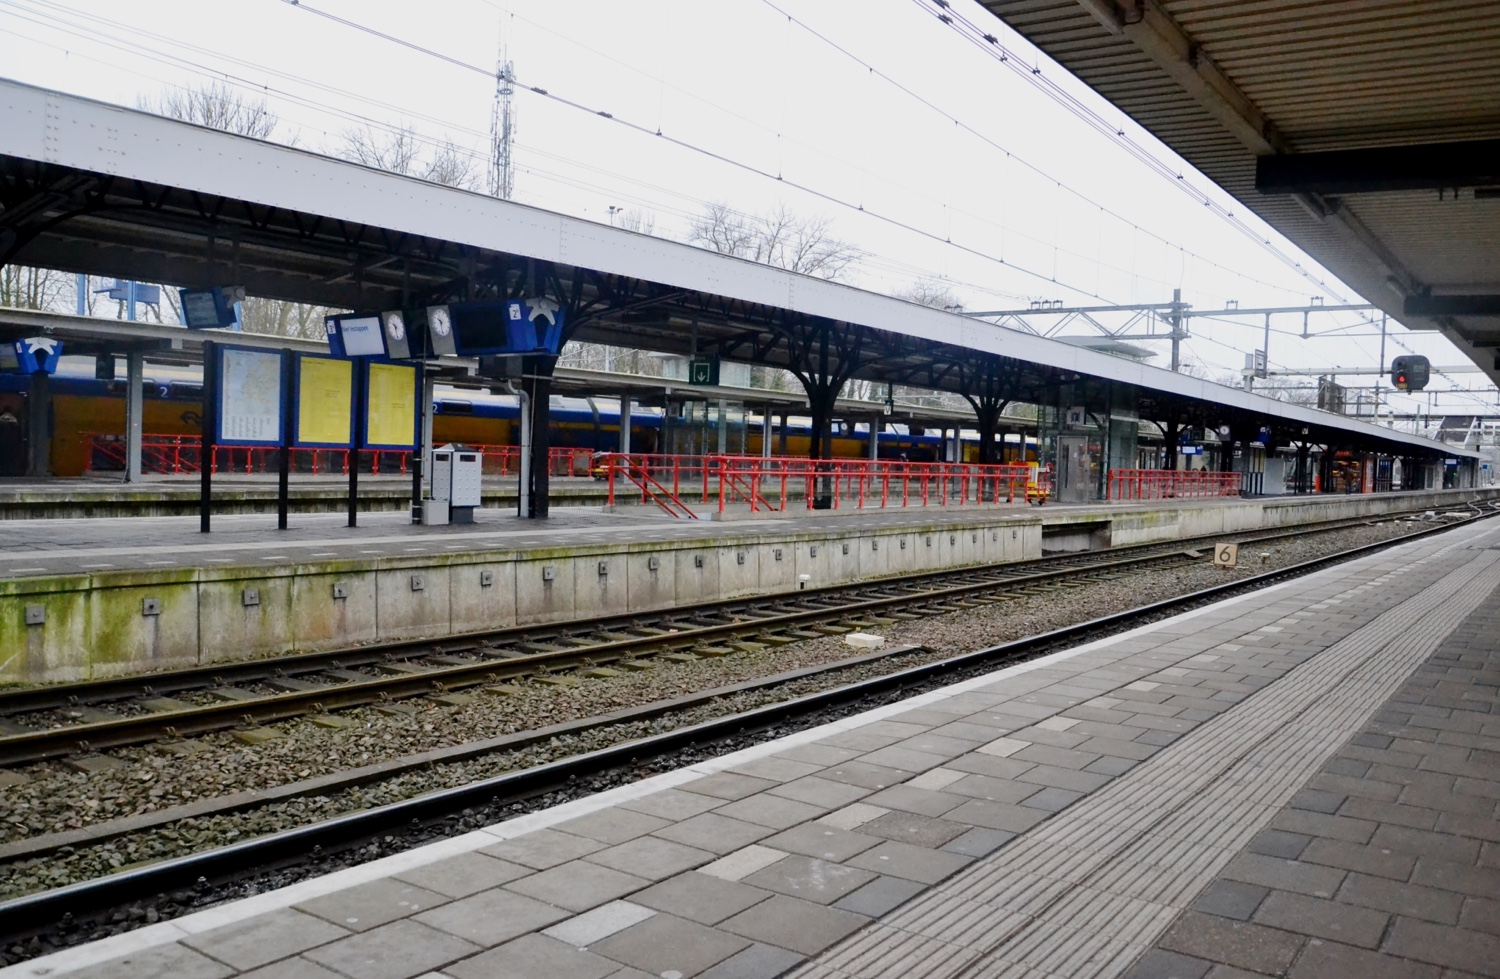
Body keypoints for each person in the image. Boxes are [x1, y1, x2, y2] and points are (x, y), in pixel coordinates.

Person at [0, 406, 22, 477]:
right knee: (10, 459)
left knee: (2, 458)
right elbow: (18, 433)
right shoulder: (14, 420)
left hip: (2, 443)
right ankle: (10, 472)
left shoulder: (1, 419)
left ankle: (2, 471)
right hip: (12, 444)